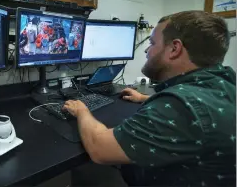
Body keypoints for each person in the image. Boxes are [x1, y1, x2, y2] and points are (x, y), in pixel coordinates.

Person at [62, 11, 236, 186]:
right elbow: (200, 111)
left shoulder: (179, 106)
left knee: (86, 170)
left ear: (175, 49)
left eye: (152, 43)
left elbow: (99, 148)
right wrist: (146, 98)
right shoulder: (225, 83)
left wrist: (82, 110)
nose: (146, 50)